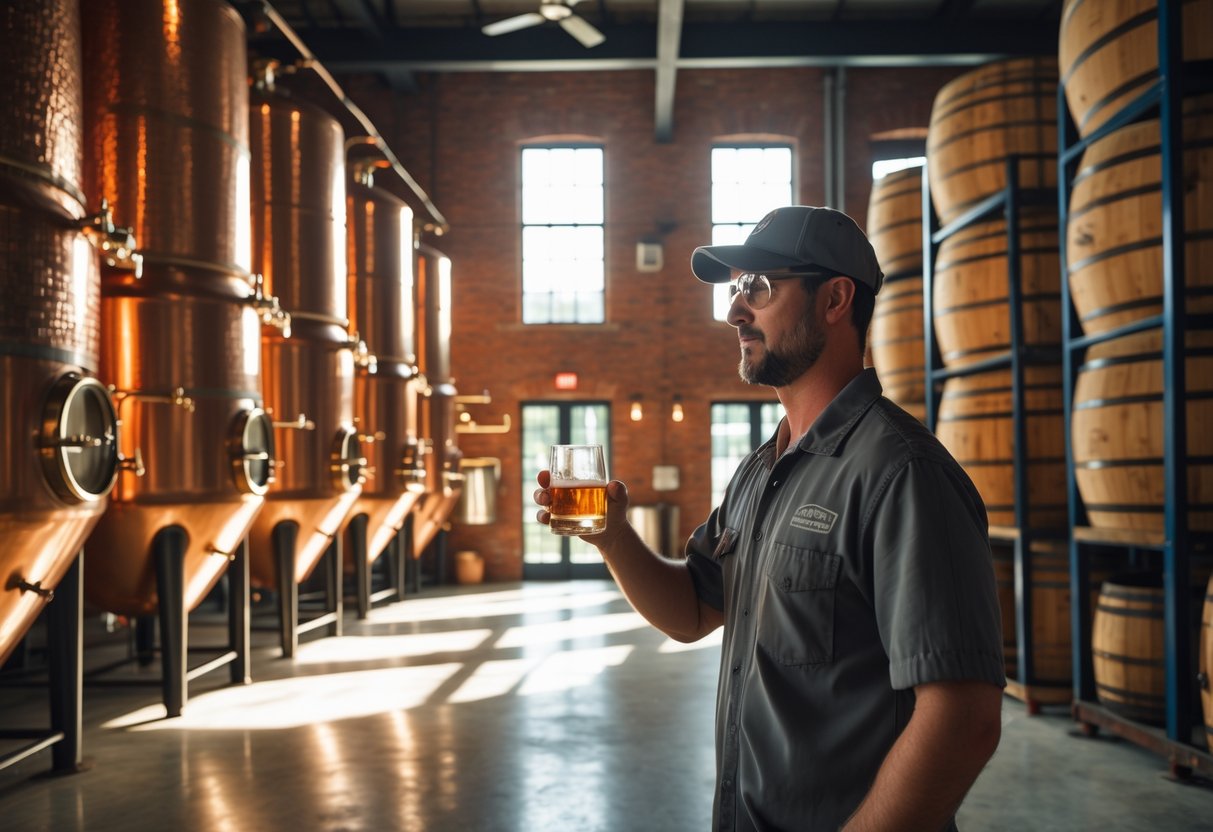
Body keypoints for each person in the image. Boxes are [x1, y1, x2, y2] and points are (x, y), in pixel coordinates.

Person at [534, 205, 1005, 831]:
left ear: (836, 299)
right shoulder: (763, 469)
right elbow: (694, 611)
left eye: (758, 287)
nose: (734, 311)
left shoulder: (900, 473)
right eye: (735, 289)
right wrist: (613, 536)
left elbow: (964, 718)